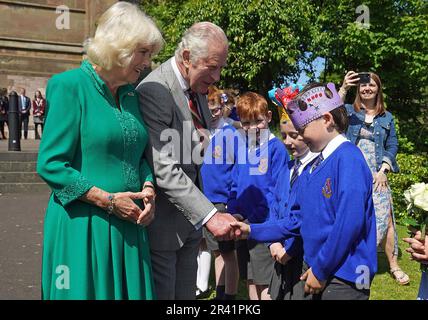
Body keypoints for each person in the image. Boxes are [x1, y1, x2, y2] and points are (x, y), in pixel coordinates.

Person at [36, 2, 163, 299]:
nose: (147, 62)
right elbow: (51, 164)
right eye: (142, 52)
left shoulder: (131, 94)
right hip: (83, 226)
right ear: (119, 46)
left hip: (129, 228)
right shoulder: (69, 86)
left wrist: (148, 186)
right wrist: (108, 201)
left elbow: (134, 152)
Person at [232, 82, 378, 300]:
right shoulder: (315, 166)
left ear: (327, 120)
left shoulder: (349, 159)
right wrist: (251, 230)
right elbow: (297, 220)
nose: (300, 137)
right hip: (319, 269)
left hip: (346, 275)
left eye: (302, 130)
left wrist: (320, 269)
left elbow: (349, 222)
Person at [136, 22, 238, 300]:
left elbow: (194, 157)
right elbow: (164, 169)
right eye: (212, 66)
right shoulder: (155, 90)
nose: (217, 77)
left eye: (220, 68)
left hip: (189, 227)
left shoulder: (197, 89)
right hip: (165, 229)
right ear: (186, 57)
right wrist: (210, 215)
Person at [339, 71, 409, 285]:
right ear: (358, 90)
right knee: (351, 216)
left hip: (377, 175)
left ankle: (393, 265)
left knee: (385, 219)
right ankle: (352, 260)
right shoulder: (349, 111)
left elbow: (392, 145)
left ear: (378, 89)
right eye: (363, 86)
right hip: (352, 172)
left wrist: (384, 169)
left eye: (371, 85)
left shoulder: (386, 118)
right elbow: (329, 112)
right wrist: (343, 88)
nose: (367, 88)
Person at [227, 92, 289, 300]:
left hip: (264, 226)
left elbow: (280, 191)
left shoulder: (276, 149)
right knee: (250, 278)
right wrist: (234, 210)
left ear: (269, 117)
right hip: (242, 225)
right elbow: (236, 181)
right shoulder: (244, 146)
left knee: (266, 283)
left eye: (258, 122)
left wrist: (273, 227)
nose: (252, 128)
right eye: (246, 123)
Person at [266, 86, 318, 300]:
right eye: (284, 135)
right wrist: (273, 241)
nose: (287, 142)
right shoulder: (286, 169)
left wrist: (291, 249)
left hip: (302, 256)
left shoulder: (316, 169)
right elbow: (274, 206)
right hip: (280, 252)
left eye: (294, 135)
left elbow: (310, 217)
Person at [198, 86, 241, 300]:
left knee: (227, 252)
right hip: (203, 199)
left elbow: (239, 169)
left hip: (221, 200)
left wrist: (231, 200)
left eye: (216, 110)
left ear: (223, 108)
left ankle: (229, 295)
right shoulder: (202, 131)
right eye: (208, 110)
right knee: (216, 251)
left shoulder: (231, 133)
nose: (212, 114)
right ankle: (220, 292)